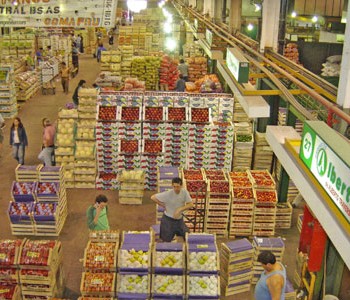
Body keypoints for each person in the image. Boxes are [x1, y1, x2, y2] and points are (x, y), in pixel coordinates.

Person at [151, 177, 193, 242]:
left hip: (179, 221)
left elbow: (190, 204)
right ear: (172, 186)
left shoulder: (184, 192)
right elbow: (153, 197)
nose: (176, 189)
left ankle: (181, 249)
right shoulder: (168, 194)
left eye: (178, 187)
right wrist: (162, 205)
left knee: (186, 236)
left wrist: (179, 209)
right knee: (166, 240)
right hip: (168, 221)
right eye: (174, 186)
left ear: (181, 186)